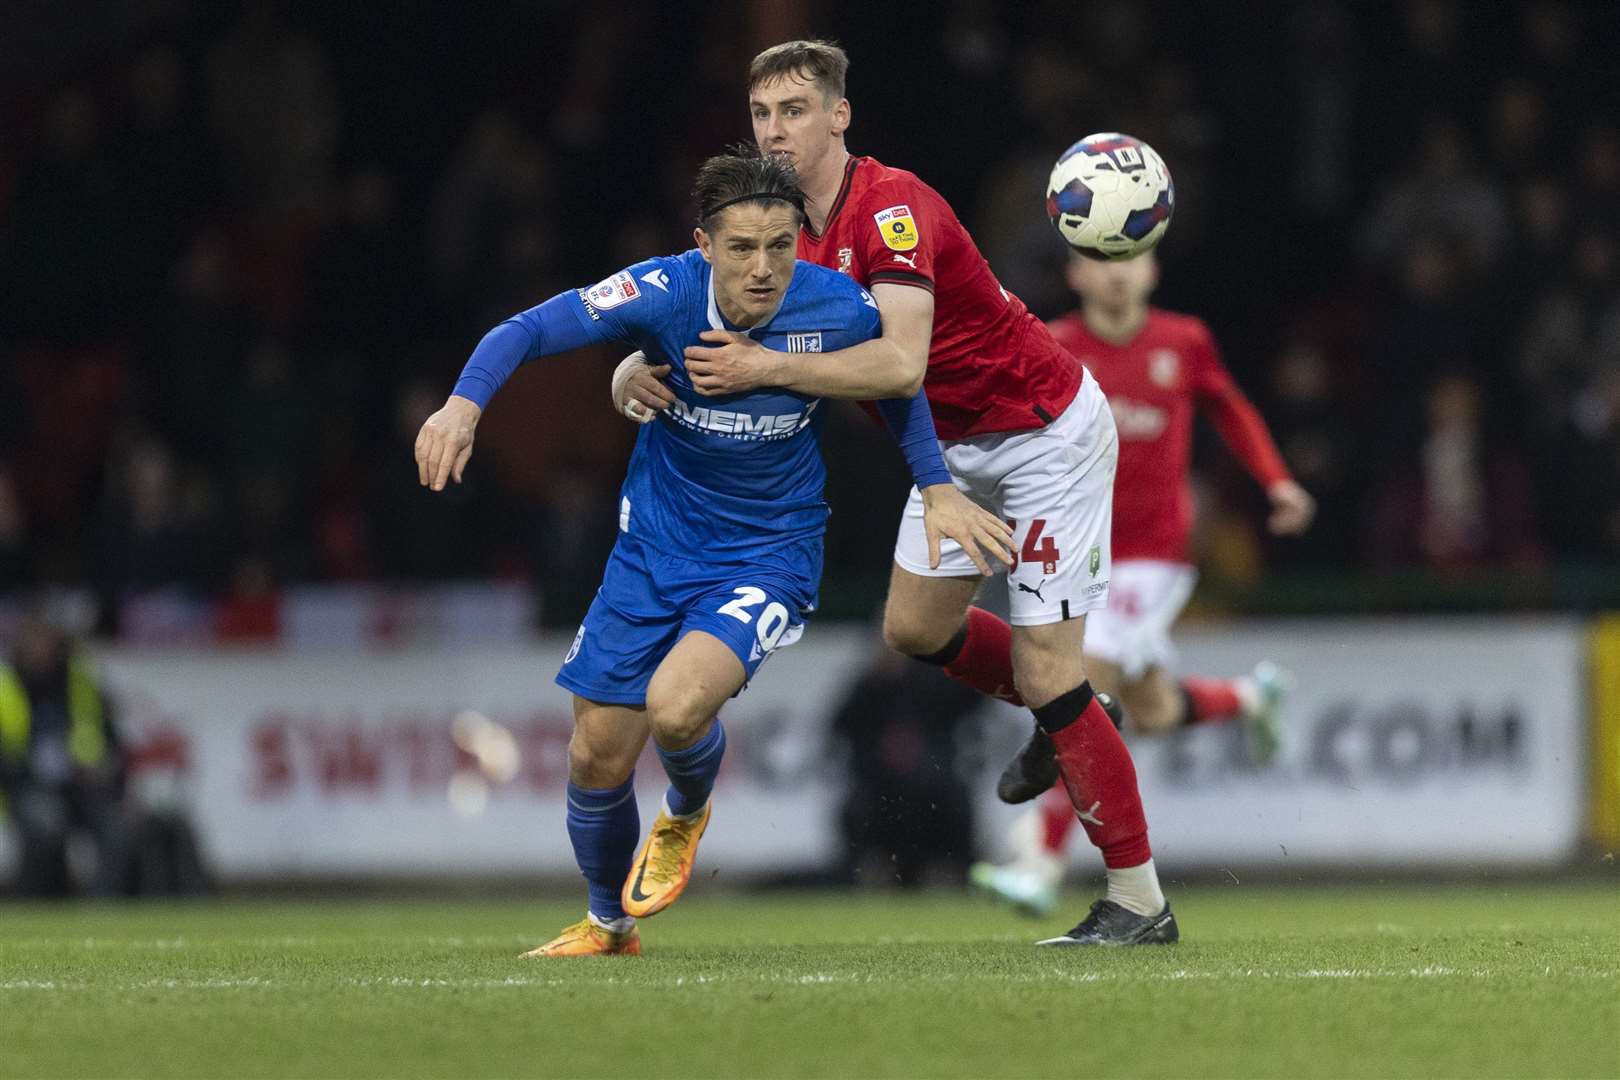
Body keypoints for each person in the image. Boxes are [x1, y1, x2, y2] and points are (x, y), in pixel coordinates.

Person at [615, 40, 1176, 946]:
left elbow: (900, 362)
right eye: (761, 115)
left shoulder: (892, 211)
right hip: (949, 453)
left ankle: (1140, 901)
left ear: (839, 116)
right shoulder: (785, 228)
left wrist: (766, 366)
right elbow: (708, 307)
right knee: (915, 631)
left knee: (1047, 669)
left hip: (1042, 432)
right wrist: (634, 371)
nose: (775, 131)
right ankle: (1072, 716)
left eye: (794, 111)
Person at [413, 149, 1008, 957]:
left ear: (800, 239)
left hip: (770, 550)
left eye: (780, 245)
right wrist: (462, 406)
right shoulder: (662, 292)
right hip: (653, 549)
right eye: (741, 248)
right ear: (703, 245)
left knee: (677, 706)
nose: (763, 268)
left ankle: (688, 808)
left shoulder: (839, 307)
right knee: (594, 753)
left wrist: (937, 487)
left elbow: (898, 390)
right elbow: (527, 328)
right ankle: (608, 925)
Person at [972, 250, 1316, 916]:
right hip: (1080, 547)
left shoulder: (1183, 341)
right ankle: (1250, 697)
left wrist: (1277, 481)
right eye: (1098, 258)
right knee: (1150, 708)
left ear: (1156, 267)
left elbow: (1230, 408)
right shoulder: (1055, 344)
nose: (1116, 271)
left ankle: (1040, 861)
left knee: (1082, 686)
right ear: (1072, 272)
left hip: (1153, 557)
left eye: (1130, 255)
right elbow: (1012, 436)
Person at [0, 606, 132, 898]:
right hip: (27, 787)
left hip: (81, 787)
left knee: (116, 829)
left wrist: (106, 774)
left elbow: (110, 742)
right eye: (34, 640)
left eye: (47, 640)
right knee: (47, 827)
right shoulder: (5, 687)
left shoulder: (80, 682)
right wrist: (30, 770)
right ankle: (36, 905)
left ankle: (103, 908)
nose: (41, 648)